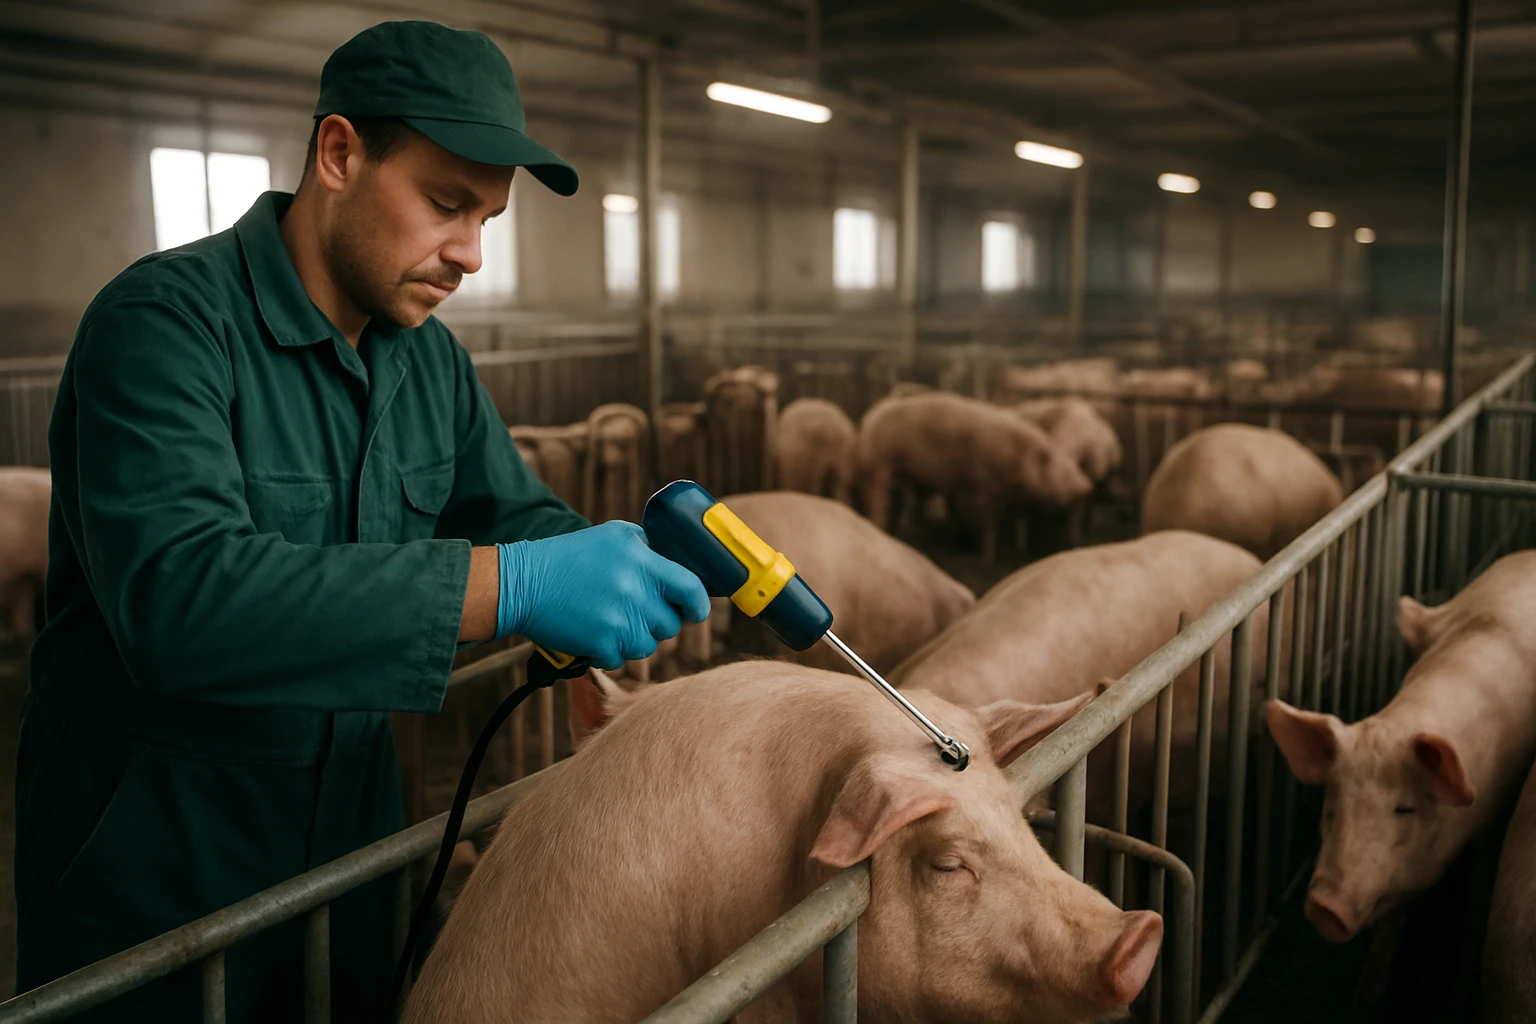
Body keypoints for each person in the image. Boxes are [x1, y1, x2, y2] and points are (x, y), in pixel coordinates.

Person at [13, 20, 710, 1023]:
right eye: (445, 204)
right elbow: (183, 600)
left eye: (488, 220)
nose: (469, 252)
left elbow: (510, 510)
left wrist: (605, 577)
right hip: (160, 882)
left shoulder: (425, 357)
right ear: (338, 155)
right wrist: (514, 585)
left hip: (353, 860)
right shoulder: (164, 325)